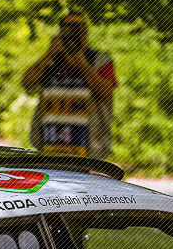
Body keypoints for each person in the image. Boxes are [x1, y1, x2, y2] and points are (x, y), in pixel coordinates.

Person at [20, 14, 117, 159]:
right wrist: (49, 54)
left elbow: (106, 94)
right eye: (68, 31)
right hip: (50, 146)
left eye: (78, 31)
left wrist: (82, 63)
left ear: (85, 35)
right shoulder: (51, 62)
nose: (73, 36)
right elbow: (27, 84)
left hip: (89, 150)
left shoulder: (100, 59)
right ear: (60, 35)